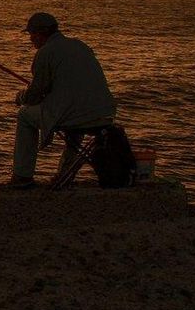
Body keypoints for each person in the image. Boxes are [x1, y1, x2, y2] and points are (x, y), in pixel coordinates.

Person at [10, 12, 117, 188]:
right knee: (76, 120)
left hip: (75, 115)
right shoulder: (80, 46)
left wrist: (21, 97)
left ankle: (22, 176)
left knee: (24, 116)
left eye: (31, 35)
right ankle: (65, 175)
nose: (31, 39)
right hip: (104, 114)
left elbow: (35, 95)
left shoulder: (45, 53)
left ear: (39, 34)